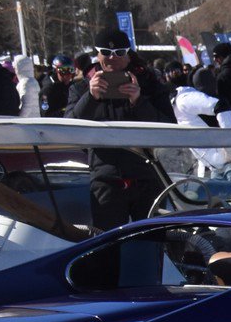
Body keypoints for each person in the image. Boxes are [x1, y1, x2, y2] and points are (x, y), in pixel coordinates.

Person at [73, 28, 175, 229]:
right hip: (106, 178)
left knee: (150, 242)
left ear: (128, 55)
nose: (113, 58)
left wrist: (138, 101)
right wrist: (90, 98)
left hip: (147, 176)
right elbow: (69, 129)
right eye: (106, 52)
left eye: (120, 53)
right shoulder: (82, 87)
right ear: (97, 54)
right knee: (106, 246)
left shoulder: (150, 84)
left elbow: (169, 128)